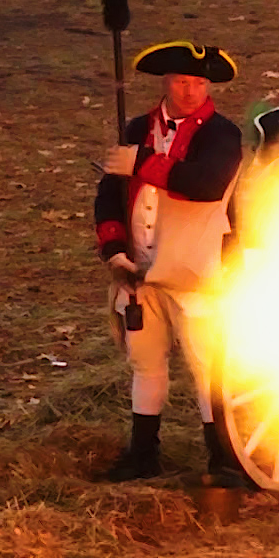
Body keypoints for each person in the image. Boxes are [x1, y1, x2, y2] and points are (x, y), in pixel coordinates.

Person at [92, 39, 250, 485]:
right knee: (146, 364)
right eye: (182, 81)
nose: (190, 91)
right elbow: (109, 195)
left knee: (207, 366)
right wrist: (115, 250)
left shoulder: (222, 134)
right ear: (167, 82)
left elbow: (204, 183)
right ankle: (143, 454)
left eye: (198, 82)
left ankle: (223, 458)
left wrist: (141, 161)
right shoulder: (137, 128)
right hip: (140, 268)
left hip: (196, 272)